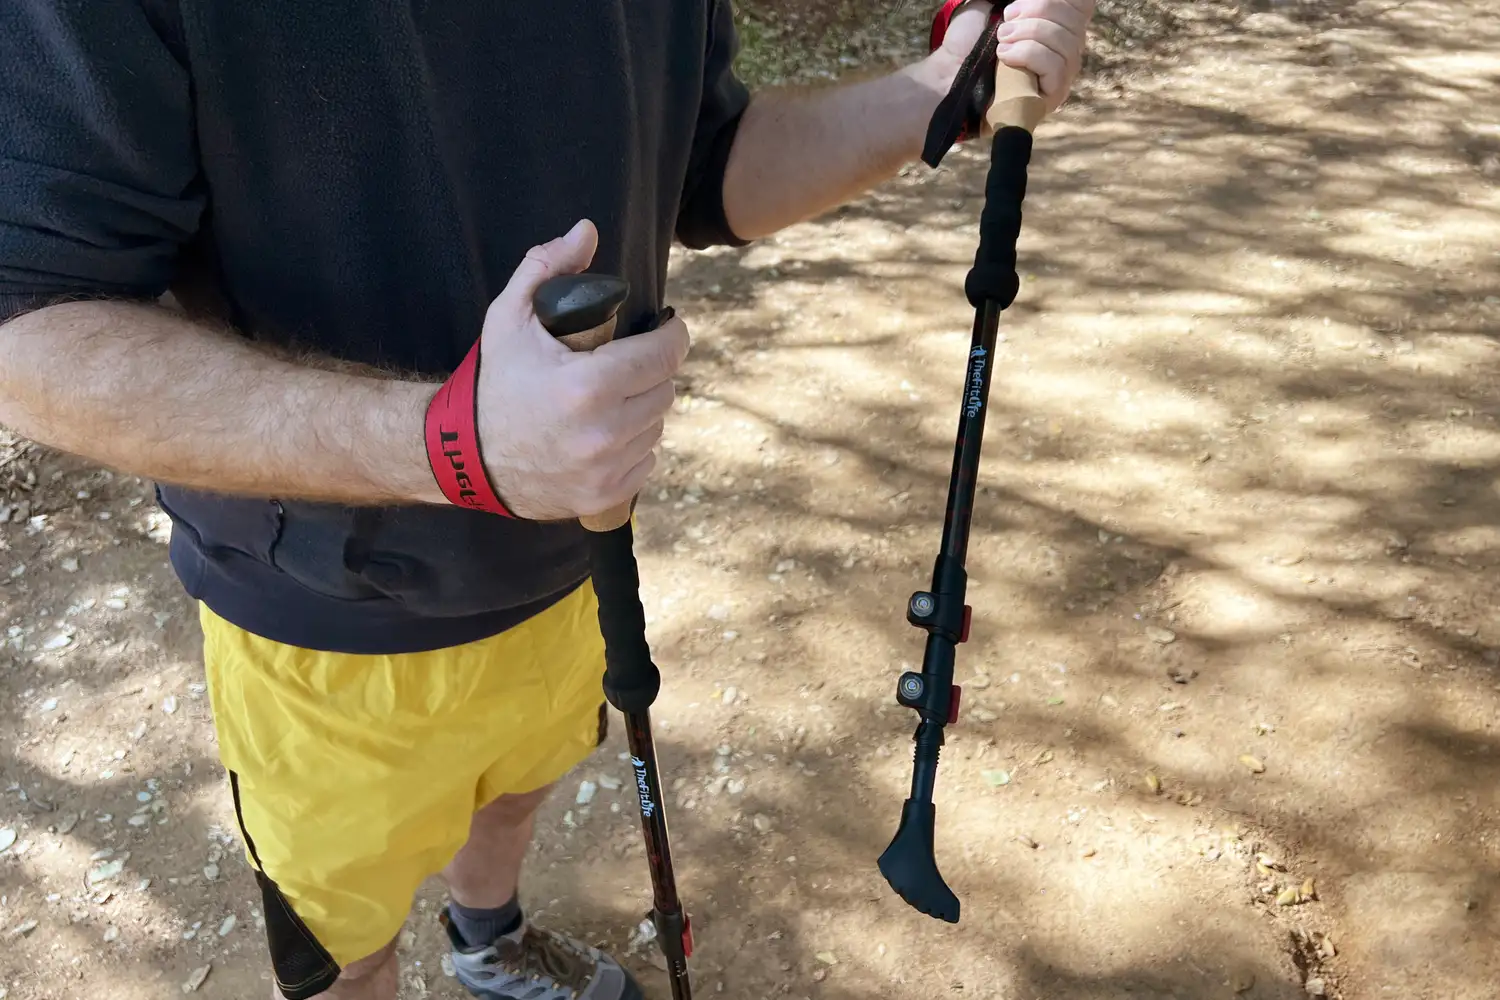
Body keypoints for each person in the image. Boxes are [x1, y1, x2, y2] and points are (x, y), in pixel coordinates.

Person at [0, 1, 1093, 997]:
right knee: (343, 946)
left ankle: (490, 938)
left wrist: (939, 87)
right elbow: (29, 333)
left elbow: (706, 166)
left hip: (576, 550)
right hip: (329, 626)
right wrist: (450, 445)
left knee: (523, 778)